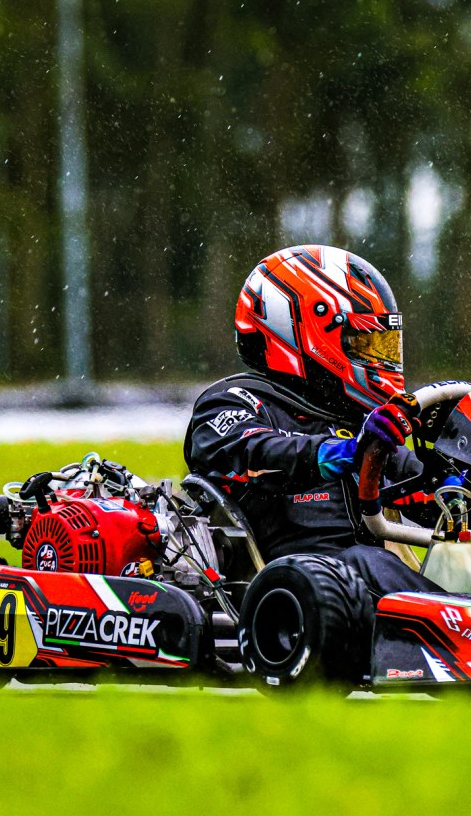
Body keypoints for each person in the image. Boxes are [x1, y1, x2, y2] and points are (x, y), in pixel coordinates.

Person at [183, 244, 442, 599]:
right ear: (306, 334)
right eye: (363, 343)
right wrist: (345, 452)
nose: (378, 359)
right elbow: (257, 453)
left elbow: (432, 499)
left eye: (383, 346)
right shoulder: (231, 401)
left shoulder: (356, 422)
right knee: (367, 562)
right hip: (288, 594)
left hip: (359, 596)